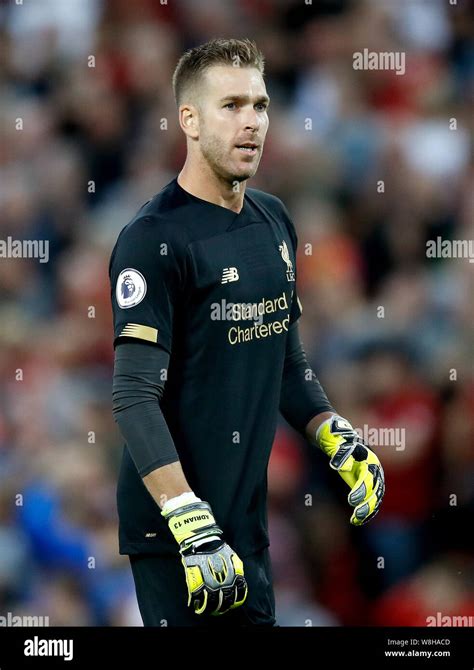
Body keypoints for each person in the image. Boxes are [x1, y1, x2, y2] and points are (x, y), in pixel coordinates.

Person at [109, 38, 385, 627]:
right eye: (231, 105)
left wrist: (332, 431)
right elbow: (133, 396)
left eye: (260, 105)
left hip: (247, 530)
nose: (252, 122)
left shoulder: (275, 220)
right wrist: (186, 517)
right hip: (176, 538)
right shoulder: (151, 240)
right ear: (189, 119)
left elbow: (284, 358)